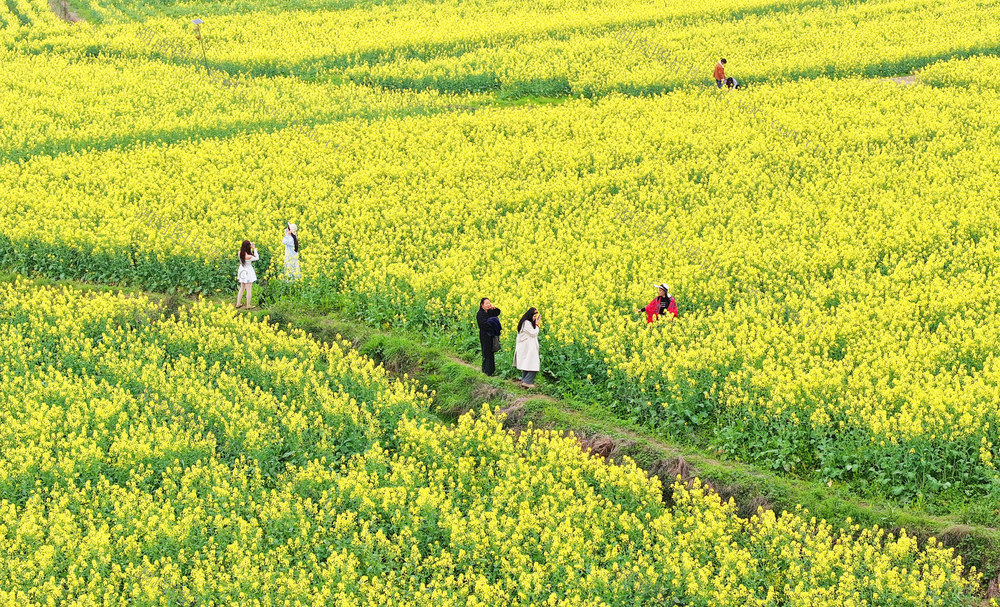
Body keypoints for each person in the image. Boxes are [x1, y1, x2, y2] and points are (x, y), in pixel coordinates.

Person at [514, 307, 541, 388]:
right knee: (533, 365)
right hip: (527, 348)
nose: (535, 318)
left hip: (528, 348)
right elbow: (533, 333)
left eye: (536, 317)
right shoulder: (526, 323)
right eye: (534, 316)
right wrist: (537, 324)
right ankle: (527, 382)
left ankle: (524, 382)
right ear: (530, 315)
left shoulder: (526, 322)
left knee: (527, 365)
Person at [476, 298, 502, 376]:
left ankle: (491, 370)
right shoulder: (480, 313)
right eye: (486, 304)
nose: (488, 305)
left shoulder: (490, 312)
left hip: (491, 335)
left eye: (489, 303)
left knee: (491, 352)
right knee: (486, 352)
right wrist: (493, 327)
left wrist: (494, 308)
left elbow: (498, 312)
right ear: (482, 305)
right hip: (485, 335)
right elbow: (483, 325)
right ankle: (486, 371)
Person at [235, 240, 259, 309]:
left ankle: (238, 303)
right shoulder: (249, 256)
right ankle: (248, 305)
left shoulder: (239, 253)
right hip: (248, 271)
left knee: (242, 287)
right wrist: (254, 249)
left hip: (242, 270)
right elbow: (257, 258)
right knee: (248, 289)